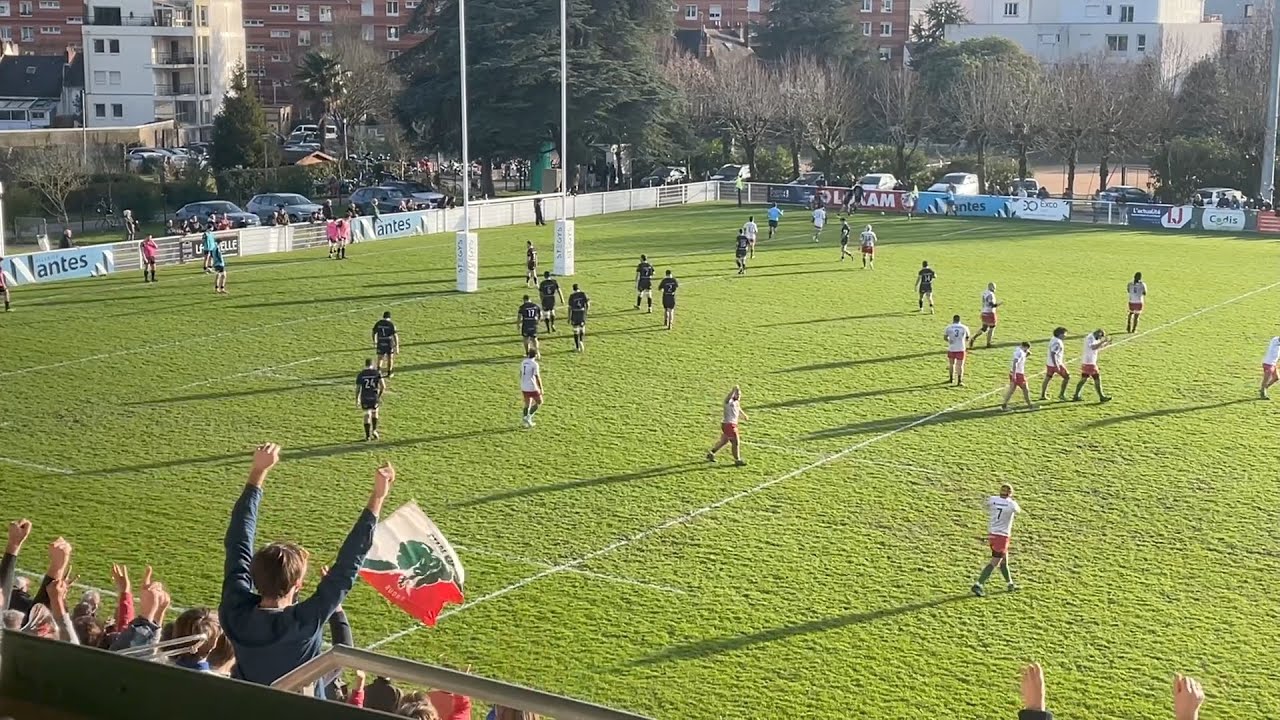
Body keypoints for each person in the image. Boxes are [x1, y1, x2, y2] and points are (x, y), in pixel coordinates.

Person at [220, 444, 393, 685]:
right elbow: (349, 563)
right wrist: (378, 497)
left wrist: (258, 472)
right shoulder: (303, 621)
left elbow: (238, 540)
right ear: (298, 584)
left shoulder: (235, 612)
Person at [971, 483, 1020, 597]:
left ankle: (1010, 584)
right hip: (1002, 536)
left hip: (992, 534)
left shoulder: (992, 499)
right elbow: (1018, 510)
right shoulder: (1012, 504)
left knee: (1004, 560)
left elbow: (985, 504)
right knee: (995, 562)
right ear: (1010, 493)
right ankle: (978, 584)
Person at [706, 386, 747, 466]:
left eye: (740, 394)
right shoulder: (728, 402)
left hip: (731, 424)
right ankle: (737, 460)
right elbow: (727, 398)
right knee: (735, 442)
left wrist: (744, 415)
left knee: (724, 441)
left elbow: (738, 409)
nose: (739, 396)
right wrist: (733, 390)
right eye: (737, 394)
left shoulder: (736, 402)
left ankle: (711, 453)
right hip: (729, 425)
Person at [1072, 329, 1112, 403]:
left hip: (1087, 362)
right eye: (1101, 336)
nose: (1100, 338)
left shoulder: (1094, 338)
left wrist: (1106, 343)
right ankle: (1101, 397)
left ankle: (1076, 395)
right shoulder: (1090, 338)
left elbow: (1097, 347)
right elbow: (1093, 347)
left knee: (1083, 379)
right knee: (1097, 378)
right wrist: (1103, 341)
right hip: (1090, 363)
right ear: (1098, 333)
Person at [1000, 342, 1036, 412]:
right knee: (1025, 389)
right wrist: (1014, 375)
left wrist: (1026, 354)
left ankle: (1004, 405)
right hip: (1018, 374)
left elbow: (1021, 358)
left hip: (1013, 372)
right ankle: (1030, 405)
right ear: (1025, 347)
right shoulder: (1020, 352)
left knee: (1011, 390)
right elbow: (1015, 363)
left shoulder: (1018, 350)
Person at [356, 359, 386, 441]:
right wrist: (379, 396)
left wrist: (357, 399)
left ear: (365, 365)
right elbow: (383, 386)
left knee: (366, 415)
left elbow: (358, 388)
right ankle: (374, 430)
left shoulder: (361, 374)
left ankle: (367, 436)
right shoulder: (376, 373)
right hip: (374, 397)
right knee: (375, 412)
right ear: (372, 365)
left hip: (364, 397)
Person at [1039, 327, 1071, 401]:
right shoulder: (1058, 342)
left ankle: (1043, 395)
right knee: (1067, 377)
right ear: (1060, 334)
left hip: (1049, 363)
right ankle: (1061, 395)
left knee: (1048, 378)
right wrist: (1056, 365)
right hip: (1056, 364)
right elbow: (1053, 354)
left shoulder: (1053, 339)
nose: (1065, 335)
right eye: (1064, 334)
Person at [969, 282, 999, 349]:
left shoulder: (984, 292)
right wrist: (998, 304)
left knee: (984, 328)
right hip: (990, 313)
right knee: (992, 328)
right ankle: (988, 343)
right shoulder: (991, 295)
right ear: (992, 287)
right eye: (994, 288)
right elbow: (992, 305)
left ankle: (973, 338)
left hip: (984, 312)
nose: (995, 289)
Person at [943, 315, 970, 386]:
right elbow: (967, 338)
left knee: (951, 364)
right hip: (961, 348)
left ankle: (951, 379)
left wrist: (950, 340)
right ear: (959, 320)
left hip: (951, 348)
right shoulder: (964, 327)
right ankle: (959, 381)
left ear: (953, 320)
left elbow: (945, 337)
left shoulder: (948, 327)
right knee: (960, 365)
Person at [519, 348, 542, 428]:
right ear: (535, 355)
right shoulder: (534, 364)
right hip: (532, 386)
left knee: (527, 403)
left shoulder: (523, 362)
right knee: (539, 402)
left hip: (524, 386)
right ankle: (529, 417)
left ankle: (525, 419)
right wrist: (541, 388)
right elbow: (537, 376)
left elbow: (521, 373)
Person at [372, 311, 399, 378]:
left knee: (380, 357)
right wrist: (397, 346)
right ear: (389, 317)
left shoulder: (378, 323)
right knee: (390, 358)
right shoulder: (391, 324)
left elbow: (373, 332)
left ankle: (378, 372)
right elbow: (395, 335)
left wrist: (375, 341)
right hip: (388, 342)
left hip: (380, 341)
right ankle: (389, 373)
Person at [568, 283, 589, 352]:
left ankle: (577, 347)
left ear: (573, 289)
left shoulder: (572, 296)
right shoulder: (583, 294)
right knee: (582, 327)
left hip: (575, 313)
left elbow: (570, 308)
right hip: (581, 312)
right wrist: (586, 312)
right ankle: (581, 341)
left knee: (575, 330)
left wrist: (569, 318)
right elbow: (587, 304)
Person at [1262, 335, 1280, 399]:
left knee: (1276, 378)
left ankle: (1264, 388)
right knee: (1266, 379)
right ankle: (1263, 392)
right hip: (1268, 363)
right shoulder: (1275, 341)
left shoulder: (1276, 343)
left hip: (1273, 364)